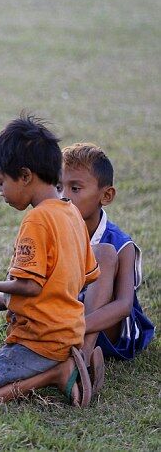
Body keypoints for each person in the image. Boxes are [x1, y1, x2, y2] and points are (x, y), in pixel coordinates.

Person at [0, 115, 101, 407]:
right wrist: (7, 296)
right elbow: (87, 274)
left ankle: (54, 374)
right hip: (68, 332)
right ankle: (61, 365)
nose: (0, 192)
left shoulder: (36, 219)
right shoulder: (71, 212)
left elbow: (30, 286)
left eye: (1, 183)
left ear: (25, 176)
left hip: (38, 339)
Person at [60, 143, 154, 371]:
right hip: (70, 321)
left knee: (103, 254)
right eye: (58, 186)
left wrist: (75, 327)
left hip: (111, 330)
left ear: (106, 195)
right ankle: (70, 353)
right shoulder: (57, 230)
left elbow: (123, 306)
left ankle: (82, 357)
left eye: (75, 188)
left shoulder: (121, 243)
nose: (64, 196)